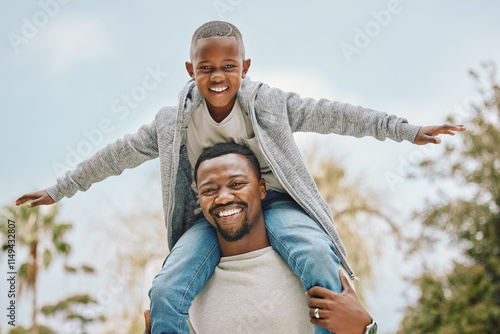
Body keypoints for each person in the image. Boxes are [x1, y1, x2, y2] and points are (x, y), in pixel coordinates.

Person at [15, 21, 465, 334]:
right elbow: (115, 155)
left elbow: (339, 115)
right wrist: (61, 188)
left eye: (228, 66)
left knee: (315, 254)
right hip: (211, 213)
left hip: (277, 202)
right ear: (190, 70)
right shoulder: (171, 124)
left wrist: (406, 130)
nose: (217, 76)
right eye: (206, 67)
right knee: (167, 290)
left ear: (245, 68)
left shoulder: (270, 105)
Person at [143, 142, 375, 334]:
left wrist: (366, 329)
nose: (223, 198)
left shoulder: (319, 268)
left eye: (236, 184)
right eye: (209, 190)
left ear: (262, 189)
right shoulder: (185, 288)